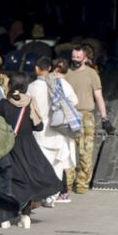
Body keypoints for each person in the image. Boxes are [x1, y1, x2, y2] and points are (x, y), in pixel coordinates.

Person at [0, 72, 62, 229]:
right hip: (27, 146)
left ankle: (5, 217)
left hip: (8, 146)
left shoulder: (2, 104)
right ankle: (25, 216)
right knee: (27, 179)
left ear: (10, 86)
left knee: (7, 180)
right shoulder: (30, 102)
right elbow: (38, 126)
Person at [28, 57, 78, 203]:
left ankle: (41, 194)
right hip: (58, 130)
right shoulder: (60, 83)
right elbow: (74, 101)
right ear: (49, 68)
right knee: (57, 163)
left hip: (40, 131)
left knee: (41, 164)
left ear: (37, 69)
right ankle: (53, 195)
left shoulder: (33, 87)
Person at [65, 44, 112, 194]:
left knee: (85, 150)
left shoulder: (92, 74)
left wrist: (104, 118)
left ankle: (82, 183)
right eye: (73, 57)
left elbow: (98, 96)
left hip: (85, 115)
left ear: (85, 58)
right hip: (67, 114)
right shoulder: (66, 73)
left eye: (78, 58)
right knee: (67, 151)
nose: (75, 60)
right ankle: (67, 183)